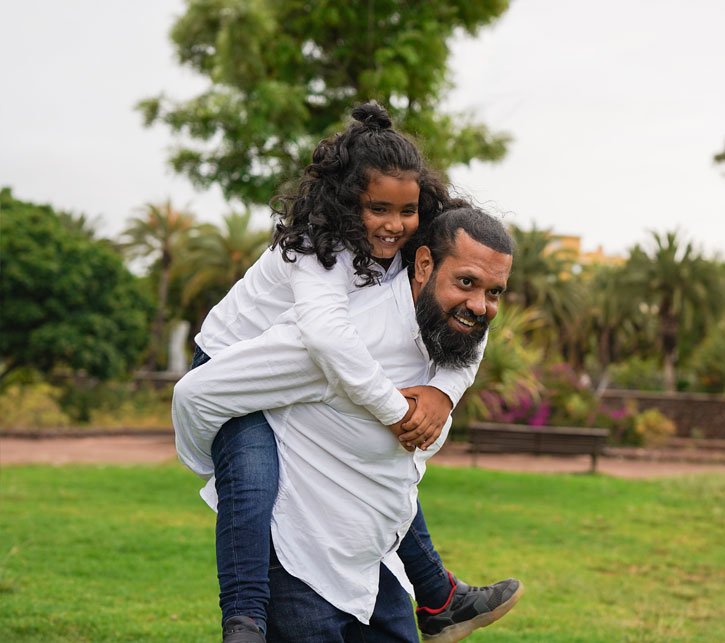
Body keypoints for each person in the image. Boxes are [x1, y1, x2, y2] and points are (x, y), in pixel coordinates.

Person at [175, 103, 518, 642]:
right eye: (378, 208)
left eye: (407, 212)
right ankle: (245, 621)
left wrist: (442, 393)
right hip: (230, 364)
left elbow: (468, 316)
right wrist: (397, 411)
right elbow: (328, 338)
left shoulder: (415, 251)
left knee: (381, 473)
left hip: (300, 364)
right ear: (346, 200)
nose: (394, 224)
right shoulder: (317, 248)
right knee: (255, 482)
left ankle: (437, 596)